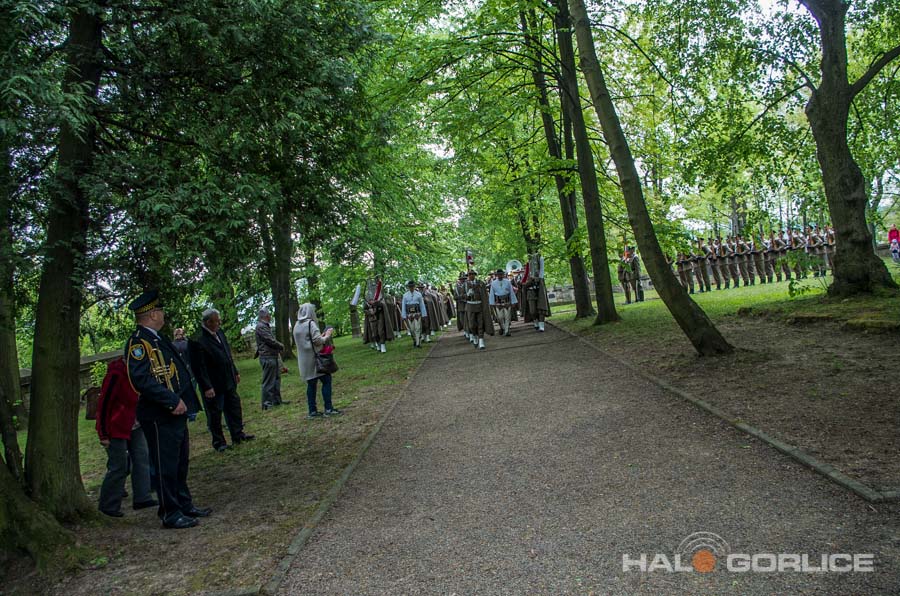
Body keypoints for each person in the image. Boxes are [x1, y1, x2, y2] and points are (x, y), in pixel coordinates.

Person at [124, 290, 210, 529]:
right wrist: (171, 401)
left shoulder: (156, 338)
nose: (163, 314)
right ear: (152, 314)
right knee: (165, 464)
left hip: (175, 411)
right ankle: (170, 512)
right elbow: (141, 379)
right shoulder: (138, 343)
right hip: (159, 413)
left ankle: (184, 503)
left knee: (180, 462)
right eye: (160, 310)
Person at [96, 356, 156, 517]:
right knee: (119, 466)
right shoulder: (116, 374)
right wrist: (103, 433)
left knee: (142, 459)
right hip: (116, 427)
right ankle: (108, 505)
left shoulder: (139, 372)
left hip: (135, 424)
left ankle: (143, 497)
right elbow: (104, 404)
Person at [190, 309, 255, 452]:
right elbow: (198, 367)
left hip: (228, 379)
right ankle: (219, 442)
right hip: (213, 384)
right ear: (208, 322)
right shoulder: (197, 339)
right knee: (215, 413)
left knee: (234, 407)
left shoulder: (219, 333)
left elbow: (227, 354)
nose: (219, 323)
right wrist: (207, 386)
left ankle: (237, 434)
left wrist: (235, 371)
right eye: (217, 321)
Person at [293, 303, 341, 419]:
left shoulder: (296, 325)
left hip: (304, 361)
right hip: (315, 360)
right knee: (326, 380)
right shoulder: (311, 324)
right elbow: (318, 341)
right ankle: (328, 408)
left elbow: (308, 340)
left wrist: (320, 336)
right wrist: (327, 335)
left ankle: (312, 411)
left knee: (311, 385)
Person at [255, 308, 287, 410]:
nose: (270, 316)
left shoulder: (264, 326)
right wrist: (281, 345)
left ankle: (276, 401)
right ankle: (267, 403)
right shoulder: (261, 327)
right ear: (265, 316)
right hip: (267, 357)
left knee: (276, 379)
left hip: (272, 356)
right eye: (269, 314)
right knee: (269, 381)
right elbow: (270, 340)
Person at [489, 268, 518, 336]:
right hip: (498, 303)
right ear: (497, 275)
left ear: (503, 274)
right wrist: (491, 303)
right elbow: (491, 293)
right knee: (500, 317)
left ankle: (507, 331)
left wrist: (513, 301)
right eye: (498, 274)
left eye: (501, 274)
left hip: (507, 301)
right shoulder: (493, 283)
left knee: (507, 317)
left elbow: (511, 292)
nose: (500, 276)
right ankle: (503, 327)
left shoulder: (507, 282)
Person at [401, 280, 428, 348]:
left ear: (414, 286)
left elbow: (422, 305)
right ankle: (415, 340)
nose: (411, 288)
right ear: (408, 287)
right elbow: (403, 306)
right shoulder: (405, 295)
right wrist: (403, 315)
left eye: (412, 286)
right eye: (410, 287)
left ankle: (418, 343)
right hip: (409, 315)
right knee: (412, 329)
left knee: (417, 328)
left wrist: (424, 314)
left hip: (417, 314)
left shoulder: (418, 294)